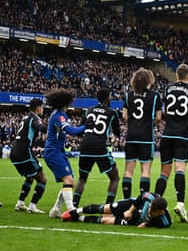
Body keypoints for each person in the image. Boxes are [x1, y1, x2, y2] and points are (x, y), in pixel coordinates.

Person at [154, 63, 188, 223]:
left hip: (167, 134)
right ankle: (180, 203)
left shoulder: (168, 89)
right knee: (180, 169)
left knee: (164, 173)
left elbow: (165, 111)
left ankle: (155, 202)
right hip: (183, 135)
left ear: (177, 75)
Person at [73, 88, 121, 207]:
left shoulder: (89, 110)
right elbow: (117, 132)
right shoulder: (112, 112)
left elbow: (80, 130)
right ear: (107, 98)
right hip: (99, 147)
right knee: (114, 177)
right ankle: (108, 207)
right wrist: (115, 137)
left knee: (82, 179)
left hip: (85, 146)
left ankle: (73, 206)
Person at [44, 88, 87, 218]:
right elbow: (72, 131)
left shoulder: (57, 114)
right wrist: (86, 126)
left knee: (70, 182)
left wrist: (83, 126)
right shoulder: (59, 116)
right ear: (65, 102)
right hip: (53, 152)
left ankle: (56, 210)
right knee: (68, 180)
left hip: (58, 152)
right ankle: (71, 210)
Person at [121, 68, 162, 199]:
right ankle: (141, 202)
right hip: (146, 137)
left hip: (131, 137)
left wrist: (133, 124)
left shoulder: (129, 95)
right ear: (148, 81)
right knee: (145, 170)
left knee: (128, 170)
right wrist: (150, 125)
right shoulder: (155, 96)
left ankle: (126, 200)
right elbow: (159, 117)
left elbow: (124, 116)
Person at [10, 98, 48, 213]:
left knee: (30, 177)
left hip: (14, 152)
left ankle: (20, 203)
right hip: (24, 152)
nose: (42, 109)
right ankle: (32, 206)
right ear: (38, 108)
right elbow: (40, 127)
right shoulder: (34, 118)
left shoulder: (25, 118)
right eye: (42, 107)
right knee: (42, 178)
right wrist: (52, 127)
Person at [61, 192, 172, 228]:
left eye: (152, 211)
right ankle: (74, 212)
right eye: (150, 208)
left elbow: (156, 223)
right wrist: (130, 211)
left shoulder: (165, 222)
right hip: (130, 206)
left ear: (161, 212)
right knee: (105, 208)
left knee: (106, 220)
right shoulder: (151, 198)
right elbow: (141, 196)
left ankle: (79, 218)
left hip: (134, 220)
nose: (149, 211)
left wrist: (146, 224)